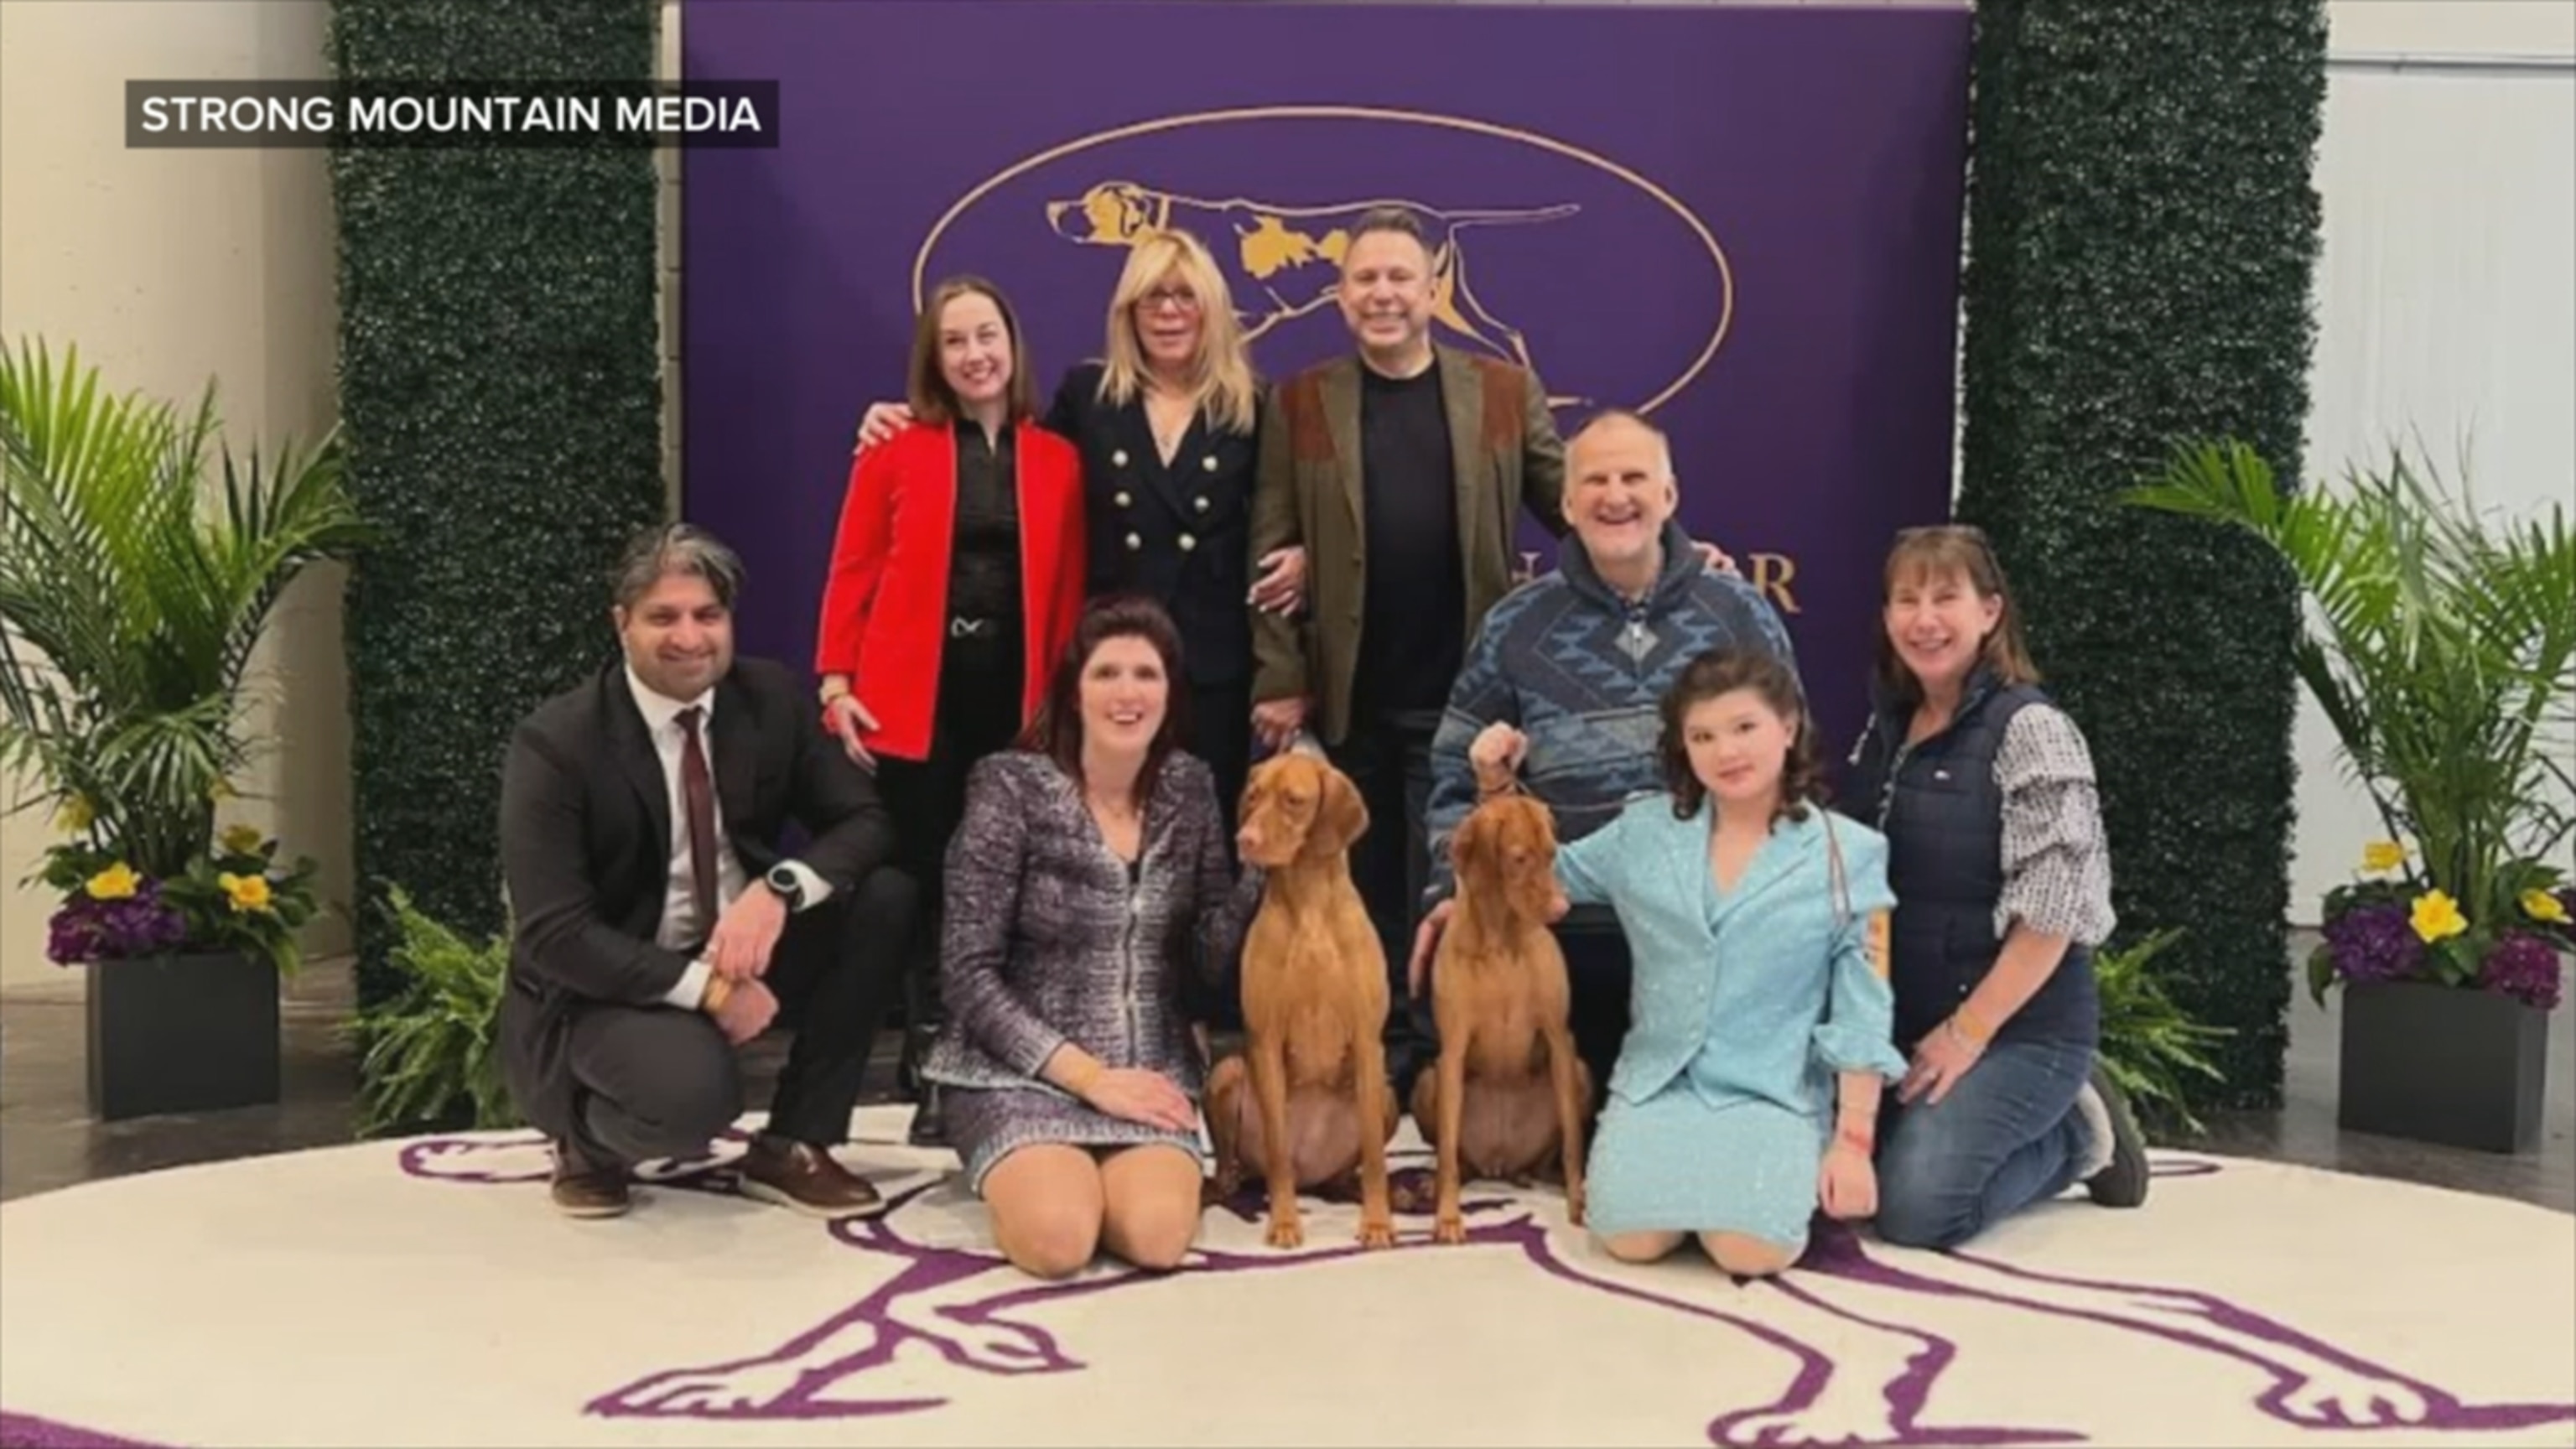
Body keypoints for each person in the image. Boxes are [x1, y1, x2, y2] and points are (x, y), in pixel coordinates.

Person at [1247, 207, 1733, 1097]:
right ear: (1341, 294)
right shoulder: (1301, 399)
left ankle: (1441, 1061)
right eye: (1364, 279)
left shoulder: (1504, 392)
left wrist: (1677, 557)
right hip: (1351, 688)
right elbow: (1272, 545)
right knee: (1360, 885)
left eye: (1400, 277)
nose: (1383, 294)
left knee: (1449, 884)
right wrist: (1281, 677)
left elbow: (1577, 503)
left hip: (1468, 691)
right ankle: (1376, 1060)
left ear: (1432, 286)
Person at [498, 523, 916, 1220]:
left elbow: (865, 820)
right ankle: (586, 1142)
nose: (690, 638)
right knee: (692, 1102)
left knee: (886, 897)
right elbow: (556, 935)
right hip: (611, 979)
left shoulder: (769, 698)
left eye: (707, 615)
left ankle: (794, 1142)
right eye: (663, 617)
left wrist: (778, 891)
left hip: (737, 941)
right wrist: (713, 992)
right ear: (622, 624)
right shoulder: (558, 743)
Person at [1405, 409, 1797, 1109]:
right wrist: (1451, 891)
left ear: (1669, 495)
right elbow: (1454, 779)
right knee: (1562, 1134)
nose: (1615, 496)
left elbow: (1793, 773)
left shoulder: (1737, 613)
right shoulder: (1514, 625)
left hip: (1706, 937)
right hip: (1564, 934)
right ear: (1565, 502)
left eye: (1634, 478)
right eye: (1595, 481)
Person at [814, 275, 1088, 1146]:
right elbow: (854, 566)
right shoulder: (894, 448)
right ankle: (930, 1055)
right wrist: (835, 681)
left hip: (1017, 707)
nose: (975, 355)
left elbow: (1070, 590)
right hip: (914, 704)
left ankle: (995, 1046)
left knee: (1003, 884)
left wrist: (1064, 706)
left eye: (987, 336)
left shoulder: (1059, 459)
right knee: (928, 879)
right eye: (956, 341)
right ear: (934, 360)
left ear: (1013, 345)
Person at [1530, 647, 1908, 1275]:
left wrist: (1853, 1143)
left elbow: (1863, 1007)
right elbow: (1542, 883)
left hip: (1771, 1093)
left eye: (1744, 727)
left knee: (1750, 1252)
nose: (1726, 752)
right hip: (1658, 1085)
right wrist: (1494, 791)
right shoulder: (1642, 831)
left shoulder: (1848, 853)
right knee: (1630, 1241)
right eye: (1702, 736)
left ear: (1788, 727)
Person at [922, 595, 1262, 1280]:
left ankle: (1086, 1177)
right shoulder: (1009, 786)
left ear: (1170, 693)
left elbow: (1206, 962)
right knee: (1060, 1241)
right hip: (1018, 1073)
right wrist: (1089, 1077)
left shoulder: (1190, 788)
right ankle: (1030, 1172)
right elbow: (966, 971)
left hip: (1149, 1073)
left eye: (1146, 674)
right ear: (1074, 691)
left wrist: (1262, 873)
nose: (1127, 693)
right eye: (1106, 673)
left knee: (1159, 1238)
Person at [1840, 524, 2149, 1250]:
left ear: (1990, 611)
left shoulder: (2033, 731)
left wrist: (1967, 1034)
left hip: (2018, 1029)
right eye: (1906, 600)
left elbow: (2054, 914)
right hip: (1900, 1022)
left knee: (1916, 1209)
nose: (1924, 619)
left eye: (1945, 597)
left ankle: (2081, 1135)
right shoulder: (1884, 729)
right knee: (1835, 1174)